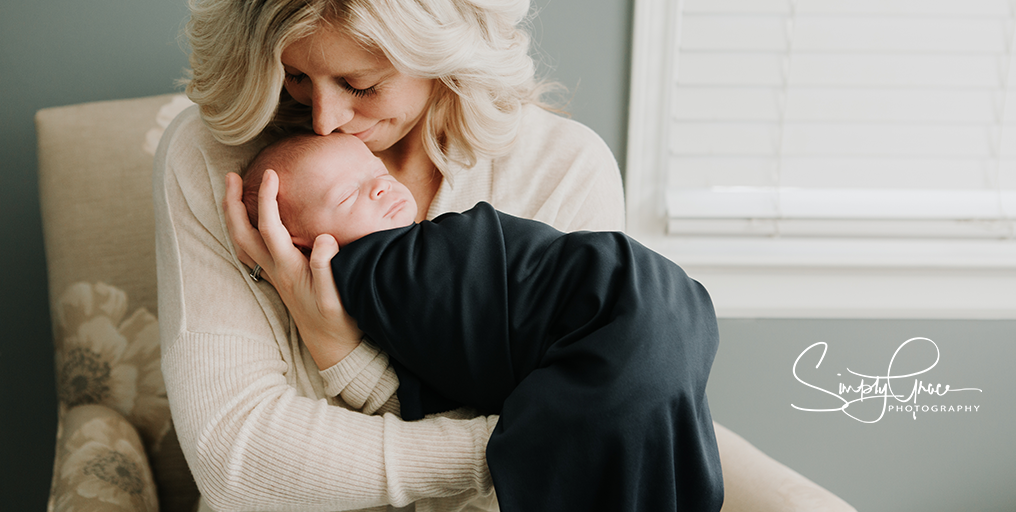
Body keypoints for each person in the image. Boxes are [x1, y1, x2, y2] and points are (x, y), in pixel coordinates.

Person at [154, 0, 856, 510]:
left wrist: (340, 353)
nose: (325, 118)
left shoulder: (561, 171)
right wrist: (541, 438)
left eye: (361, 83)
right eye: (297, 75)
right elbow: (239, 456)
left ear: (446, 42)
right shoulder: (222, 165)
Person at [238, 131, 723, 511]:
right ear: (296, 240)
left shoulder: (565, 163)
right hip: (657, 299)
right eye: (349, 196)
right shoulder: (365, 268)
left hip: (610, 293)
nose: (381, 185)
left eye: (375, 169)